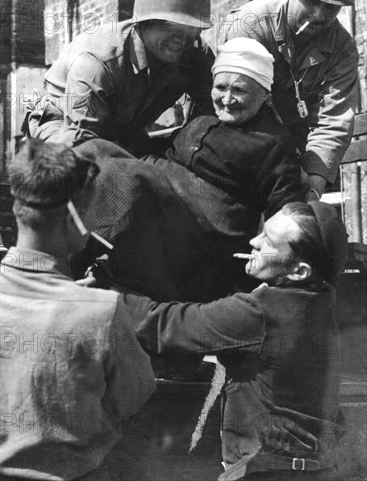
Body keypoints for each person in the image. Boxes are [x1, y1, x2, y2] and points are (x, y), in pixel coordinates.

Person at [121, 200, 349, 481]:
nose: (253, 241)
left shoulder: (262, 312)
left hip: (269, 471)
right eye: (261, 231)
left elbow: (169, 325)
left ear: (298, 272)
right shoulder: (321, 298)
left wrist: (109, 299)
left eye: (268, 242)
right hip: (316, 468)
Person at [75, 37, 303, 302]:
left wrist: (265, 276)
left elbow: (285, 211)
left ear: (265, 94)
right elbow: (170, 145)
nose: (227, 100)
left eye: (239, 91)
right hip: (162, 188)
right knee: (91, 150)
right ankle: (65, 262)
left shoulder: (275, 144)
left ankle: (80, 267)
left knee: (123, 179)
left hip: (204, 225)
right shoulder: (206, 115)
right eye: (220, 87)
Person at [0, 139, 155, 481]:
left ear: (17, 208)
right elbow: (134, 395)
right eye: (93, 209)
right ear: (75, 219)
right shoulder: (102, 311)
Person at [24, 0, 215, 155]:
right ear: (145, 23)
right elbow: (84, 142)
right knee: (85, 167)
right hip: (64, 125)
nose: (180, 38)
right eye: (170, 26)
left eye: (191, 28)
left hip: (123, 127)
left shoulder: (194, 51)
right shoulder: (98, 62)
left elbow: (211, 108)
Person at [224, 0, 360, 202]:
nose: (319, 15)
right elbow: (237, 105)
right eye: (311, 0)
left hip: (294, 159)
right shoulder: (251, 25)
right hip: (240, 145)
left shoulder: (343, 49)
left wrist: (312, 187)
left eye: (331, 7)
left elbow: (333, 122)